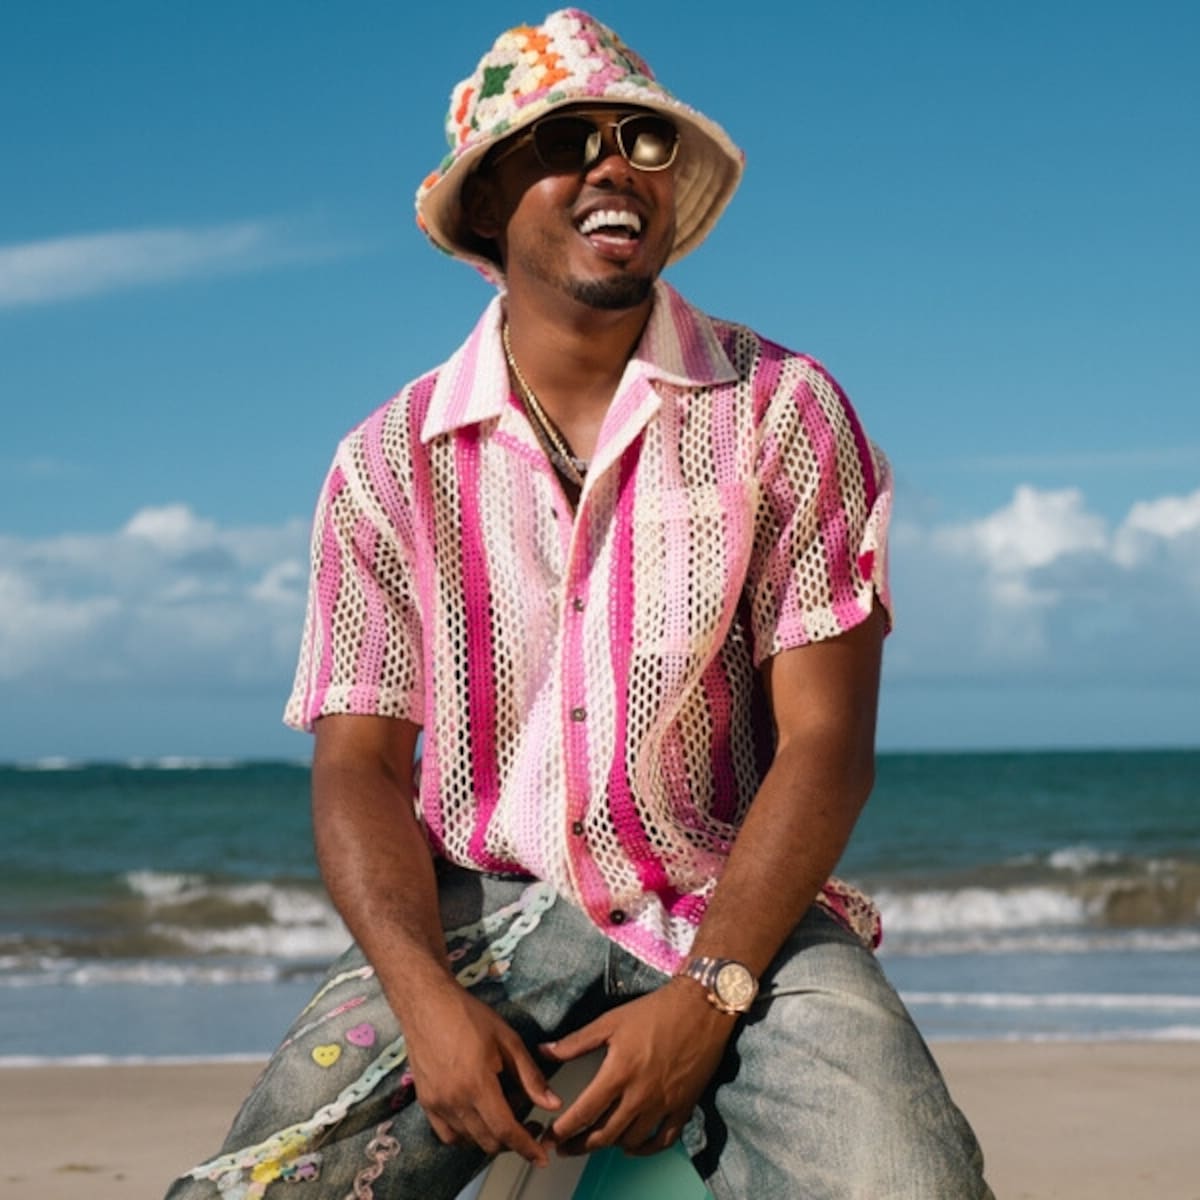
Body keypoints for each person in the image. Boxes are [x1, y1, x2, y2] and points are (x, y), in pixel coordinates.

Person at [167, 10, 992, 1199]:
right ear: (487, 205)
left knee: (917, 1186)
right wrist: (425, 1003)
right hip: (476, 915)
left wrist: (708, 998)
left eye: (641, 141)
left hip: (730, 913)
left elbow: (827, 742)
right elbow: (358, 767)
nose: (615, 167)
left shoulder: (781, 410)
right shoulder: (387, 463)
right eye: (567, 141)